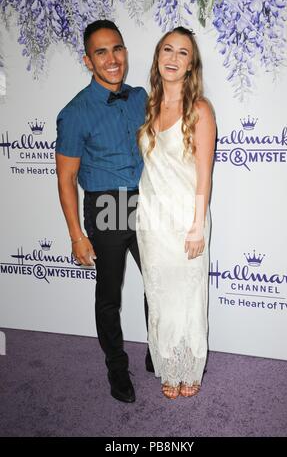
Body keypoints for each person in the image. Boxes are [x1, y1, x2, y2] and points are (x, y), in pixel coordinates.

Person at [55, 20, 154, 404]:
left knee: (158, 287)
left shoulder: (141, 96)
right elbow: (66, 180)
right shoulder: (75, 112)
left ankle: (156, 353)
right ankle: (117, 367)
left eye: (117, 48)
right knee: (109, 295)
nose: (112, 59)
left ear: (125, 52)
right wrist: (77, 236)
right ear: (87, 60)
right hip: (107, 205)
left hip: (146, 201)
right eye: (101, 52)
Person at [136, 27, 216, 399]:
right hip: (151, 220)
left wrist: (198, 227)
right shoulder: (148, 106)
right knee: (160, 294)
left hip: (187, 220)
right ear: (157, 57)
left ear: (190, 65)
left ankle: (190, 366)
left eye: (182, 53)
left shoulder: (200, 109)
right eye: (167, 49)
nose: (172, 58)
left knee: (189, 294)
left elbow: (204, 175)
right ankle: (168, 364)